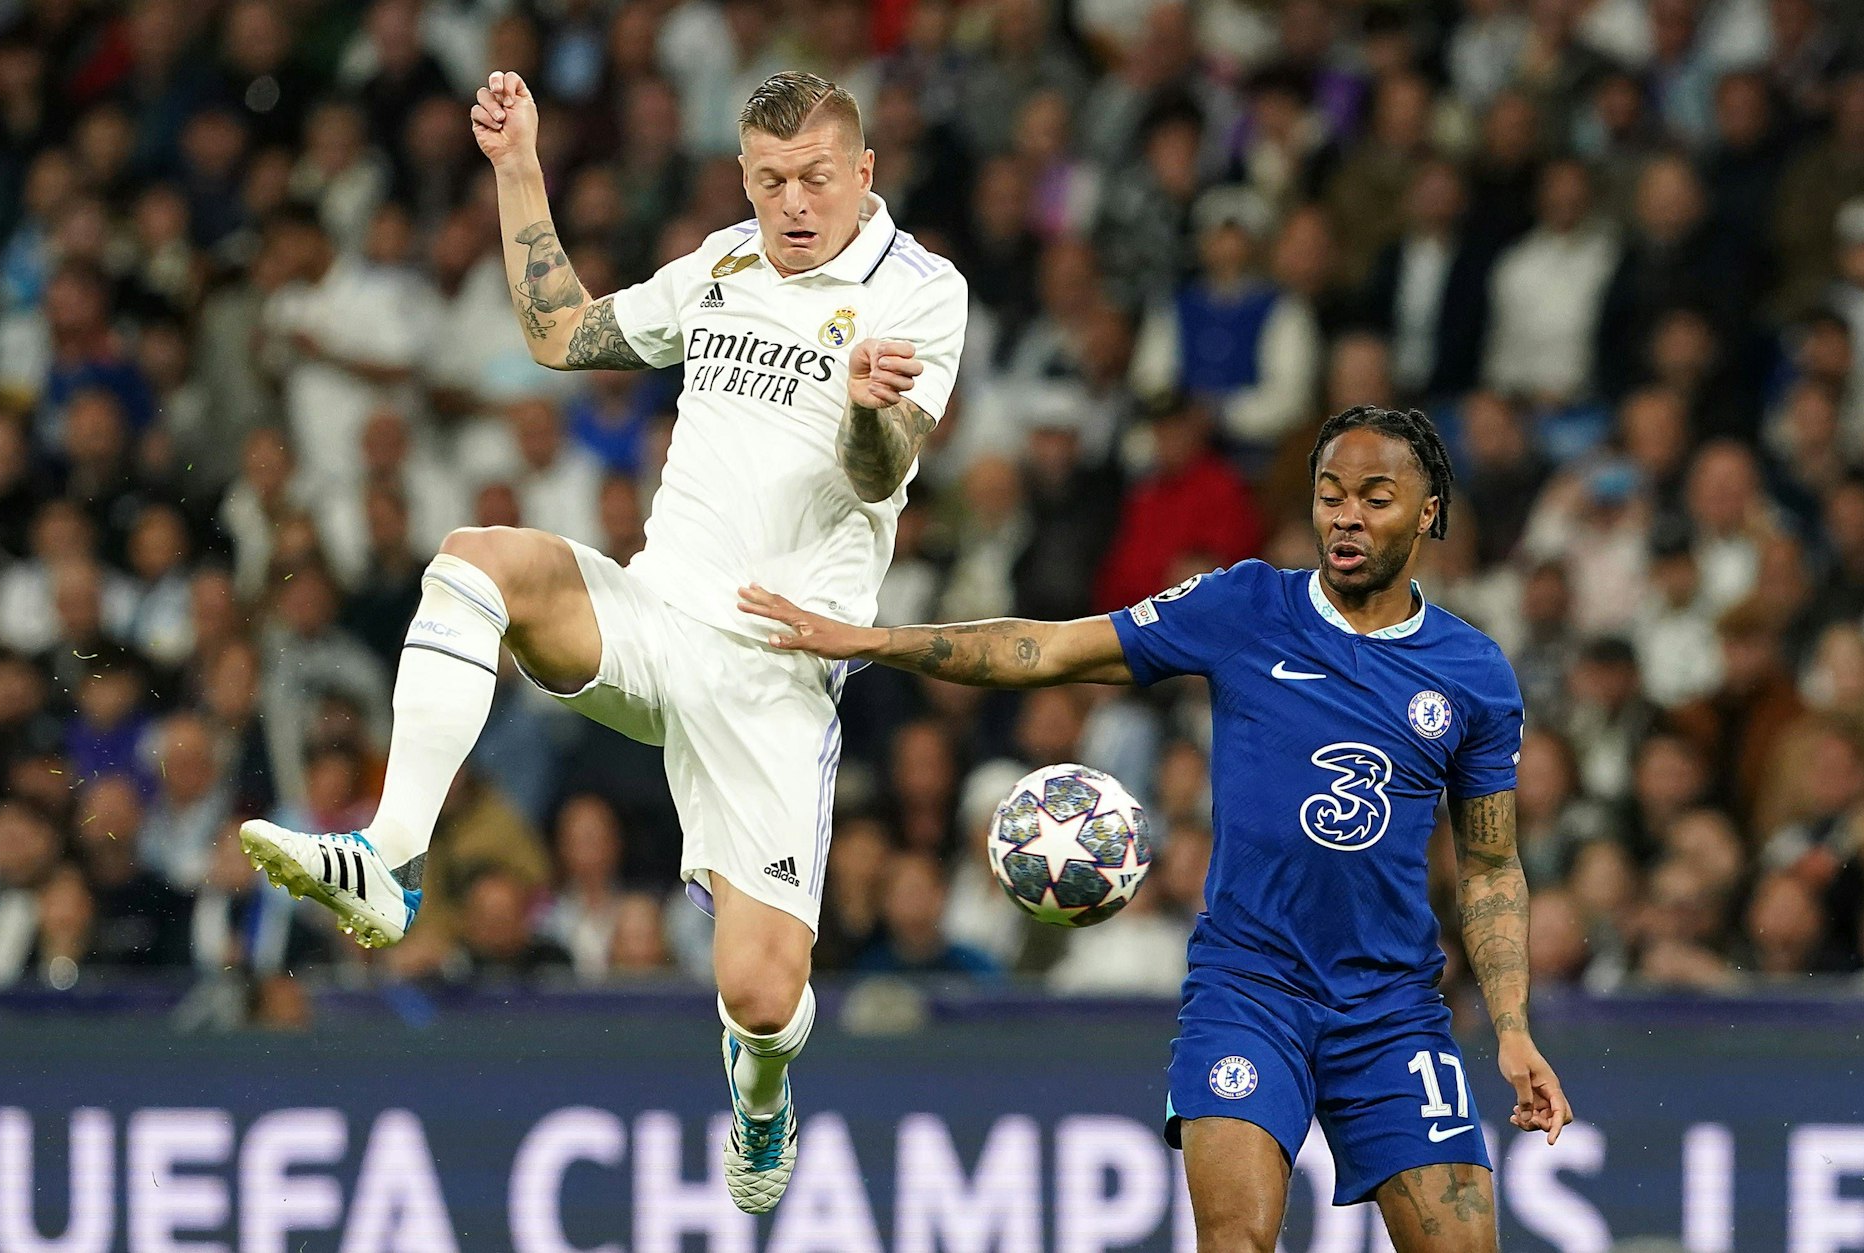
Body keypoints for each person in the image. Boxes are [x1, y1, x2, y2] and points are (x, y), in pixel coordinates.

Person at [236, 68, 967, 1215]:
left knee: (764, 995)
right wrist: (517, 164)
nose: (792, 202)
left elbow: (882, 474)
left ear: (862, 173)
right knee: (477, 557)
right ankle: (389, 856)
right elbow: (557, 332)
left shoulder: (919, 291)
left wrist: (869, 407)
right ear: (742, 176)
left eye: (816, 177)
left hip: (774, 674)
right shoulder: (718, 264)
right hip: (653, 613)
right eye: (769, 179)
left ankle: (761, 1095)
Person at [740, 404, 1572, 1250]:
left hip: (1394, 1006)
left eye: (1375, 497)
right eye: (1330, 494)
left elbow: (1492, 862)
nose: (1346, 516)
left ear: (1429, 512)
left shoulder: (1473, 674)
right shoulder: (1245, 604)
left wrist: (1511, 1027)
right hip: (1250, 992)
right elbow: (1054, 649)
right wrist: (876, 638)